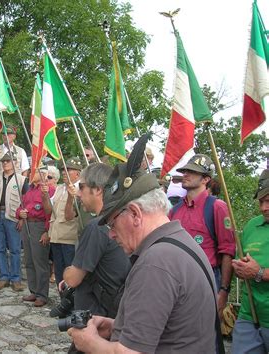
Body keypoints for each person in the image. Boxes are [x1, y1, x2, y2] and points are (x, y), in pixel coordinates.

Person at [68, 135, 218, 353]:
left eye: (112, 224)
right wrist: (115, 326)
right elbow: (169, 327)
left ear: (135, 214)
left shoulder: (156, 263)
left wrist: (88, 342)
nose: (111, 235)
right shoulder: (180, 243)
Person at [169, 154, 235, 319]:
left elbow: (228, 251)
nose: (185, 174)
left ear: (205, 179)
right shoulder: (174, 210)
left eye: (192, 172)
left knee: (205, 336)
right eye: (185, 171)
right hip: (176, 280)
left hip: (206, 279)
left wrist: (224, 291)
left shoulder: (217, 207)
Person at [63, 163, 130, 317]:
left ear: (98, 189)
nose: (78, 193)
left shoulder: (97, 226)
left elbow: (73, 279)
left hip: (96, 317)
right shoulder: (121, 219)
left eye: (82, 187)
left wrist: (67, 273)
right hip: (115, 312)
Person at [231, 169, 269, 353]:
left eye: (268, 201)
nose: (263, 208)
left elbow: (256, 271)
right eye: (261, 201)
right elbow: (243, 260)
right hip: (249, 315)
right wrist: (240, 267)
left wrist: (259, 272)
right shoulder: (252, 225)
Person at [0, 153, 28, 292]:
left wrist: (22, 218)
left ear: (15, 162)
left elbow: (26, 202)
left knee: (15, 249)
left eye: (8, 161)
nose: (5, 164)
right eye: (3, 161)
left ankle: (16, 279)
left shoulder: (22, 180)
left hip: (13, 217)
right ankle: (3, 277)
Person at [17, 165, 55, 307]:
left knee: (40, 261)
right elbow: (21, 206)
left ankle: (42, 295)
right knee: (29, 260)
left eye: (35, 171)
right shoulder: (30, 190)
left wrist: (47, 231)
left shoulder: (49, 190)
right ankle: (34, 290)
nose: (32, 173)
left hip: (39, 226)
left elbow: (50, 213)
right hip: (27, 225)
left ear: (43, 174)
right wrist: (20, 214)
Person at [47, 157, 82, 287]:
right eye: (63, 170)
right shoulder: (60, 188)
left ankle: (72, 304)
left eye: (68, 170)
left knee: (70, 273)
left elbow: (69, 216)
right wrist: (44, 194)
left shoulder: (80, 189)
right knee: (59, 273)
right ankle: (63, 302)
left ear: (77, 173)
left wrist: (71, 196)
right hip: (56, 236)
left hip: (70, 239)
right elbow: (49, 210)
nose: (64, 172)